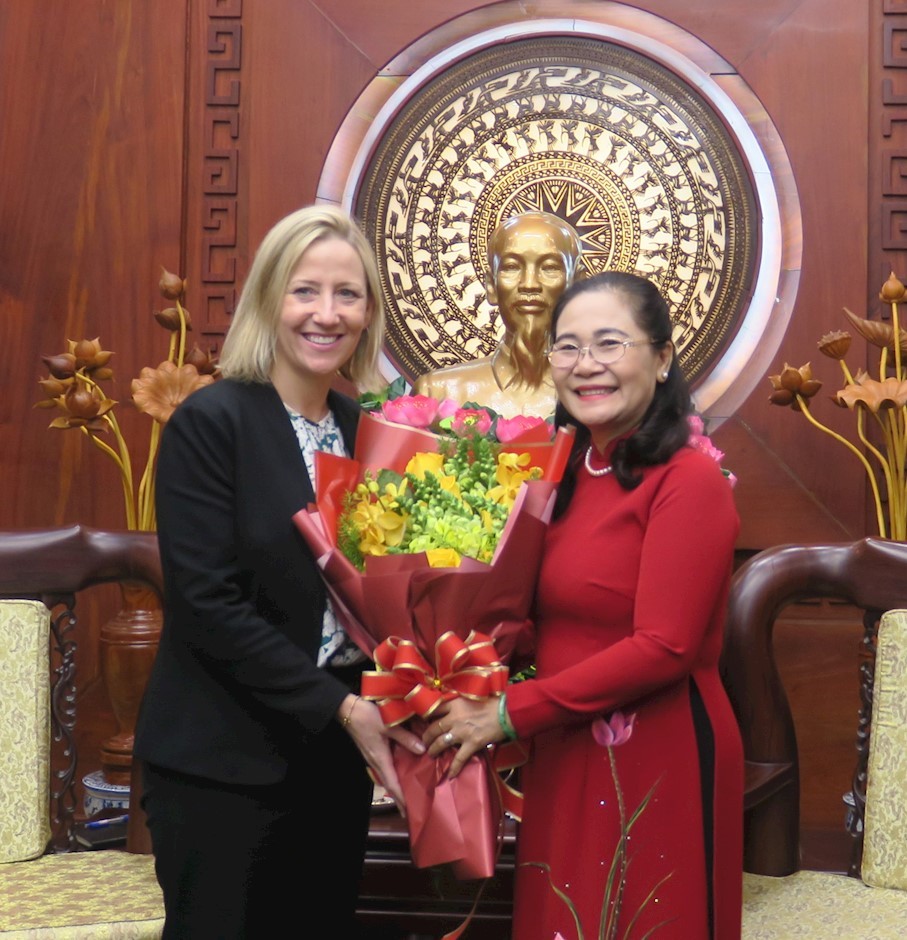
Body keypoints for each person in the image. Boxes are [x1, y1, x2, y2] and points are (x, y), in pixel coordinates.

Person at [134, 204, 425, 939]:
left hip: (329, 767)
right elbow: (206, 604)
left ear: (367, 314)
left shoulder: (370, 435)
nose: (325, 314)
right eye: (305, 291)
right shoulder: (212, 422)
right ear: (269, 299)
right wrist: (344, 709)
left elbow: (380, 598)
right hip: (220, 765)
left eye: (347, 295)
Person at [424, 271, 743, 939]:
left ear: (660, 358)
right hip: (562, 746)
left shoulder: (689, 479)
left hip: (656, 749)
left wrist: (509, 712)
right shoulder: (557, 472)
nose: (585, 365)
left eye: (608, 343)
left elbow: (666, 645)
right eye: (566, 347)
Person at [414, 211, 581, 418]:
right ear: (491, 286)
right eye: (511, 267)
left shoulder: (594, 397)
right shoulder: (438, 393)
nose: (529, 284)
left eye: (550, 267)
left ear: (575, 284)